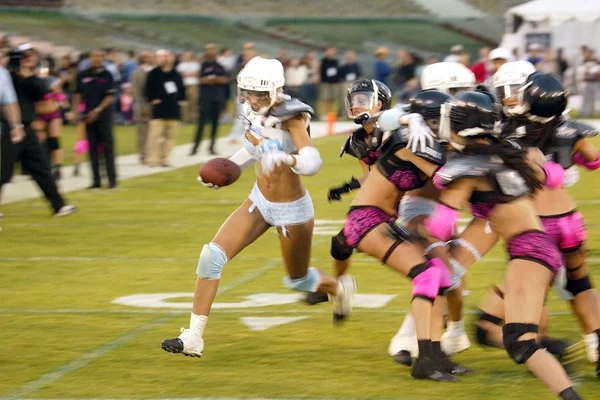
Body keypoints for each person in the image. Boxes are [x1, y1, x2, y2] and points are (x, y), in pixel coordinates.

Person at [161, 56, 354, 358]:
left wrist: (288, 159)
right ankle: (193, 337)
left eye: (261, 94)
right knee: (211, 257)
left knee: (298, 280)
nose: (254, 99)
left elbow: (313, 161)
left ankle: (340, 289)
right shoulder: (251, 111)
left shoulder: (292, 115)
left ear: (276, 91)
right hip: (259, 200)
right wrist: (227, 170)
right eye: (249, 93)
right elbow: (253, 147)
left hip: (291, 210)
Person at [428, 89, 580, 399]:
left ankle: (569, 393)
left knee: (520, 342)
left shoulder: (470, 165)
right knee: (490, 329)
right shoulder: (507, 151)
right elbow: (552, 177)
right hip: (538, 249)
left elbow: (441, 225)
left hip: (529, 252)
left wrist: (414, 229)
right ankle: (557, 357)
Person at [475, 70, 600, 376]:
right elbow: (594, 160)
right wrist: (571, 161)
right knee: (579, 282)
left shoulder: (509, 131)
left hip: (537, 225)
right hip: (570, 220)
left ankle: (543, 348)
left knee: (520, 298)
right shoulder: (572, 130)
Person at [385, 62, 477, 362]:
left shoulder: (459, 119)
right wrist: (409, 117)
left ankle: (428, 336)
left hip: (447, 208)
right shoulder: (418, 117)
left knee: (445, 277)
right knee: (439, 274)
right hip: (420, 206)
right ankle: (427, 338)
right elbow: (385, 117)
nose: (463, 97)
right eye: (456, 91)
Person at [305, 79, 392, 306]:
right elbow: (372, 175)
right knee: (340, 244)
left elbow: (395, 172)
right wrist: (347, 187)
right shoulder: (359, 139)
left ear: (380, 104)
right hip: (383, 199)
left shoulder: (394, 133)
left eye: (363, 100)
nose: (357, 105)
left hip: (409, 197)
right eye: (355, 100)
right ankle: (339, 288)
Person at [0, 44, 76, 217]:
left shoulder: (32, 78)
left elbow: (39, 92)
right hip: (7, 127)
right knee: (3, 171)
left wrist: (30, 75)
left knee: (41, 166)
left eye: (32, 56)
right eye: (27, 56)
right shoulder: (7, 76)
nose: (31, 59)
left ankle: (58, 205)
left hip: (25, 126)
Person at [71, 48, 117, 189]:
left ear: (103, 58)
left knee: (108, 148)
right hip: (87, 117)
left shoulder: (108, 75)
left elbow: (110, 96)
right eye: (94, 56)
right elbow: (77, 94)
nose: (96, 59)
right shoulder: (82, 75)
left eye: (99, 56)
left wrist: (97, 110)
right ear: (89, 58)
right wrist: (75, 112)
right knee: (92, 149)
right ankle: (95, 180)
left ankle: (111, 180)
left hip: (103, 116)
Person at [144, 50, 185, 168]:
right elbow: (148, 90)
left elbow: (181, 90)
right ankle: (152, 159)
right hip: (158, 110)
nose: (164, 59)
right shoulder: (153, 73)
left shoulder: (176, 74)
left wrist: (180, 101)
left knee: (170, 137)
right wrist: (153, 99)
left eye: (166, 56)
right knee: (155, 136)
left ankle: (165, 159)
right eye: (161, 57)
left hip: (173, 109)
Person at [190, 44, 229, 156]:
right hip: (205, 98)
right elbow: (202, 80)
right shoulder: (203, 66)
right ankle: (195, 147)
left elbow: (224, 80)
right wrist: (216, 79)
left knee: (215, 124)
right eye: (209, 50)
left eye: (213, 50)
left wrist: (211, 79)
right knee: (201, 124)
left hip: (217, 98)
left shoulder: (220, 66)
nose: (211, 52)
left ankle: (211, 147)